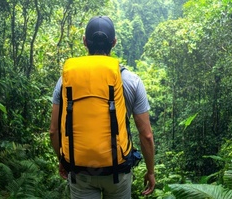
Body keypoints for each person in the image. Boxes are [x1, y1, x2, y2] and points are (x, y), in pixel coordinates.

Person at [49, 16, 155, 198]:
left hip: (79, 170)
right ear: (114, 43)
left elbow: (53, 130)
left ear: (85, 42)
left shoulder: (66, 80)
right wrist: (150, 171)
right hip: (118, 172)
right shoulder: (132, 81)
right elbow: (146, 135)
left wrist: (63, 160)